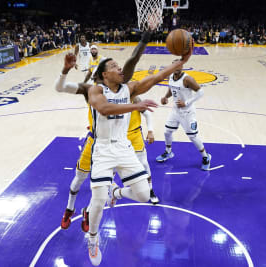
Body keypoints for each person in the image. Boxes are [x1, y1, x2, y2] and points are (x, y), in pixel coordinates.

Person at [85, 44, 193, 265]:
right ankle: (93, 239)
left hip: (124, 148)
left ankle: (116, 193)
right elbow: (104, 109)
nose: (120, 69)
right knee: (97, 201)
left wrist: (182, 60)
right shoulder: (96, 90)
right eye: (114, 66)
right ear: (105, 74)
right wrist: (135, 107)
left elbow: (157, 76)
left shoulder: (129, 89)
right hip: (103, 149)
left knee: (144, 195)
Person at [55, 31, 160, 231]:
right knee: (79, 179)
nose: (117, 70)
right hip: (96, 142)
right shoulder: (91, 91)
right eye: (111, 68)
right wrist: (65, 70)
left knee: (102, 190)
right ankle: (69, 209)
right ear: (100, 75)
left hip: (119, 144)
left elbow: (132, 60)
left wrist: (145, 38)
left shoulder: (123, 90)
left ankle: (88, 211)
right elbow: (60, 87)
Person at [156, 60, 211, 170]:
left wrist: (186, 103)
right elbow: (172, 89)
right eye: (174, 66)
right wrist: (166, 97)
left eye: (179, 66)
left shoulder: (187, 79)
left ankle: (206, 157)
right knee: (167, 132)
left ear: (182, 66)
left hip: (188, 113)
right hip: (175, 111)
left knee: (193, 137)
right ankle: (168, 152)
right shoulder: (171, 77)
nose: (176, 67)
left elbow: (201, 92)